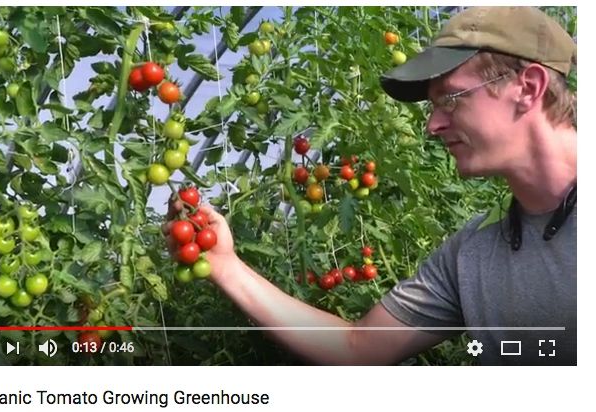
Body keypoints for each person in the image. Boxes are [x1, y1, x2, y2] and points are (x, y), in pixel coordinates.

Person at [164, 6, 577, 365]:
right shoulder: (477, 250)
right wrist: (225, 266)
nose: (432, 125)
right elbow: (359, 346)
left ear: (528, 88)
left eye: (450, 99)